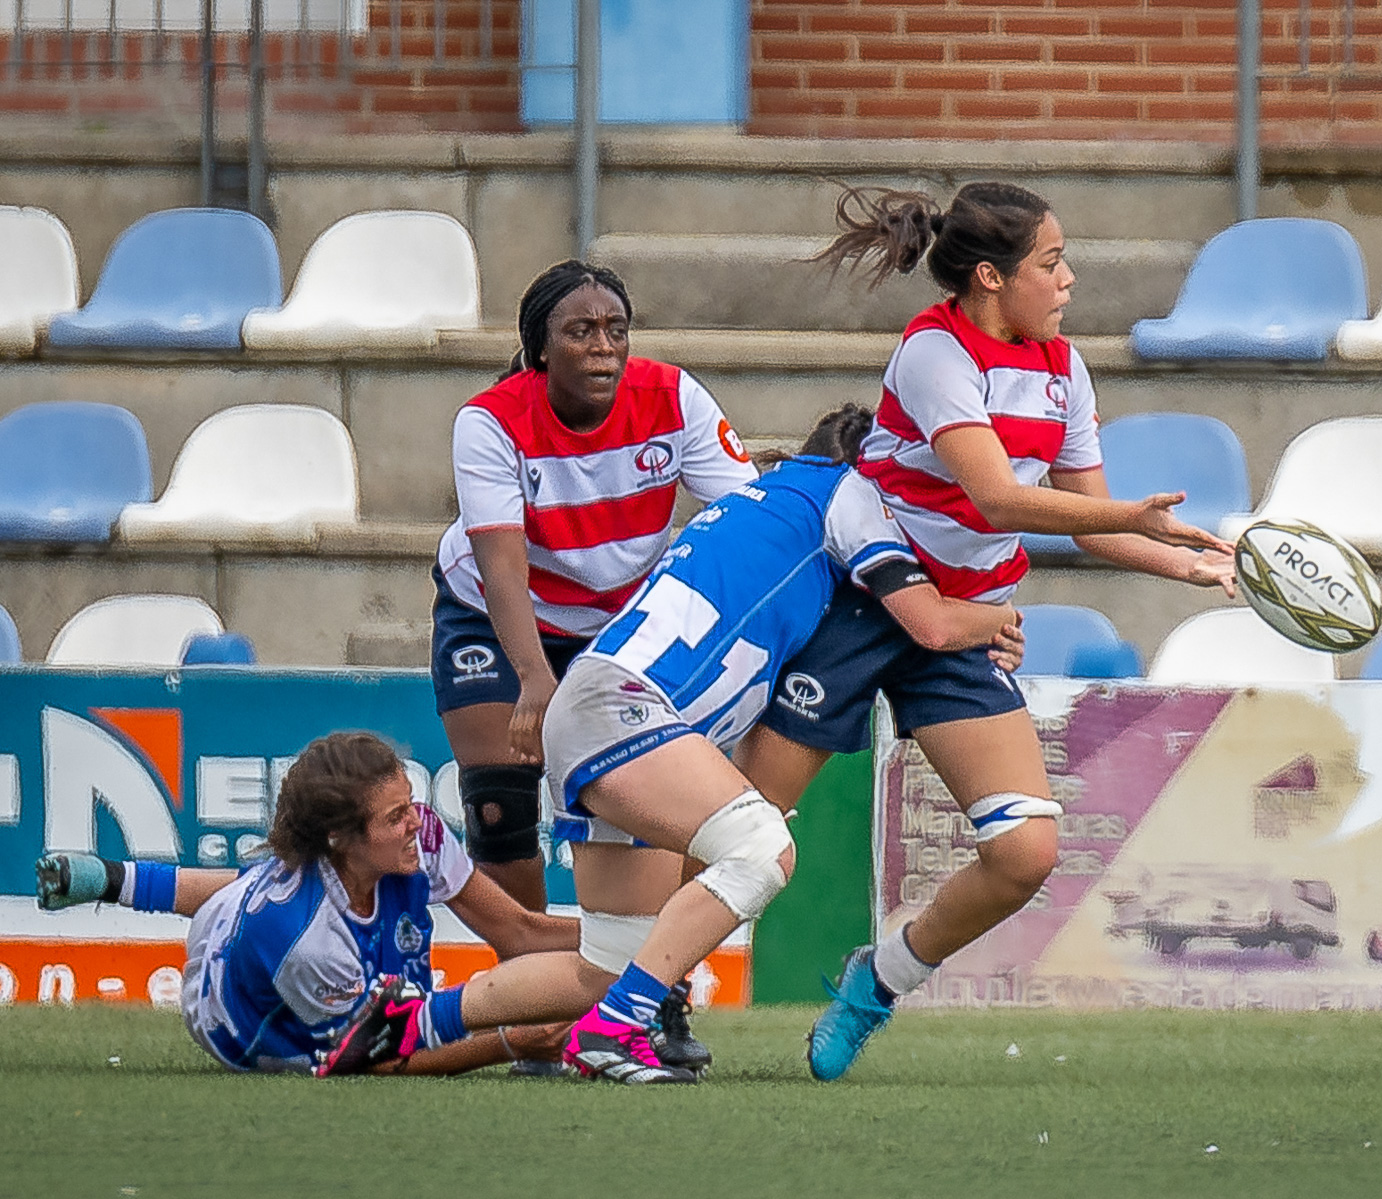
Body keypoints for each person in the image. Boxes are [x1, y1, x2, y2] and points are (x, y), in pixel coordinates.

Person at [733, 181, 1238, 1082]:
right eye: (1051, 263)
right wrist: (1140, 516)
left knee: (1024, 853)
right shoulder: (935, 352)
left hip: (966, 620)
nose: (1069, 280)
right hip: (864, 602)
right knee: (742, 829)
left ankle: (874, 982)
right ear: (989, 279)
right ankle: (639, 1005)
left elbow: (1088, 519)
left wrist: (1196, 568)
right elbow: (997, 495)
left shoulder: (1062, 367)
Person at [538, 402, 1024, 1084]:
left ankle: (414, 1028)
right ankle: (620, 1025)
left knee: (609, 963)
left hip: (600, 700)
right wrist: (1000, 617)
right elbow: (932, 623)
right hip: (629, 711)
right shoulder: (848, 497)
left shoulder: (758, 504)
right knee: (760, 848)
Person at [432, 259, 757, 1061]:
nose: (603, 346)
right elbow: (502, 567)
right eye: (580, 332)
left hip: (620, 625)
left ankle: (655, 996)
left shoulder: (673, 398)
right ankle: (536, 1008)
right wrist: (536, 682)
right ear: (539, 348)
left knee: (644, 805)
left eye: (616, 329)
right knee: (500, 802)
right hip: (495, 612)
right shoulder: (490, 420)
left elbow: (747, 521)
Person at [36, 732, 589, 1076]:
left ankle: (113, 879)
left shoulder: (413, 841)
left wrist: (638, 936)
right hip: (235, 1021)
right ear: (341, 837)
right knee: (264, 906)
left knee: (253, 884)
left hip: (281, 907)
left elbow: (518, 931)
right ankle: (119, 880)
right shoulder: (307, 943)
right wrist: (513, 1044)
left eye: (411, 805)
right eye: (395, 817)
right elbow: (375, 1059)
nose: (416, 824)